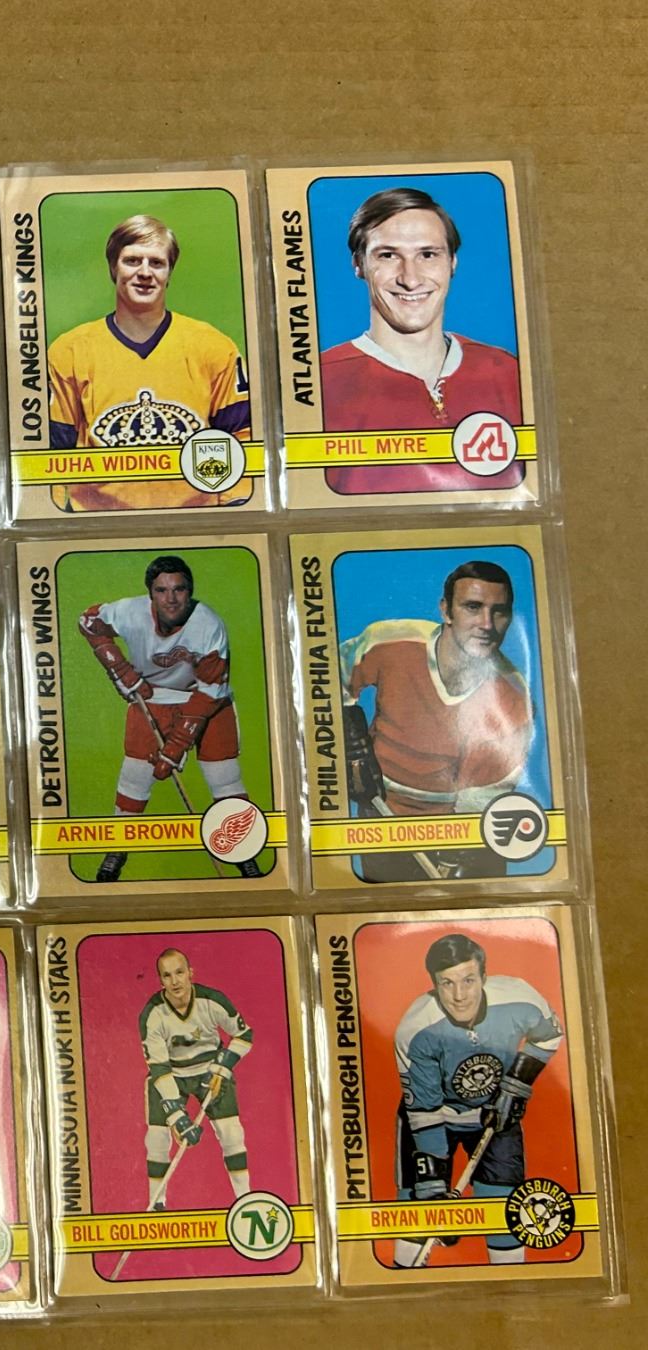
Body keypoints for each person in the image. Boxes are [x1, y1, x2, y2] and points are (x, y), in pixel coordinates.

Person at [320, 187, 525, 493]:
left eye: (428, 255)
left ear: (452, 262)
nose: (411, 279)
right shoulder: (317, 383)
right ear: (359, 264)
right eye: (388, 255)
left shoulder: (507, 372)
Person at [340, 560, 531, 881]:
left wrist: (459, 853)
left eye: (499, 611)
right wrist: (343, 734)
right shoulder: (390, 641)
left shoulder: (511, 698)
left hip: (451, 828)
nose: (486, 624)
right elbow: (328, 676)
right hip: (379, 810)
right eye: (473, 607)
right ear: (446, 611)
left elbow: (479, 802)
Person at [46, 214, 253, 511]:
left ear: (169, 272)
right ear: (113, 268)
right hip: (98, 522)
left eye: (156, 263)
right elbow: (53, 450)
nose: (145, 272)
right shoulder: (70, 351)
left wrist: (232, 511)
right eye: (132, 261)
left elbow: (241, 437)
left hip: (196, 518)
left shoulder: (214, 347)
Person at [78, 556, 261, 881]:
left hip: (206, 699)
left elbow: (210, 690)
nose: (171, 598)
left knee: (225, 778)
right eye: (161, 590)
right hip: (153, 698)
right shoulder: (129, 612)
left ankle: (242, 850)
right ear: (150, 593)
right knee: (134, 778)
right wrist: (119, 668)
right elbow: (88, 622)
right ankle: (118, 846)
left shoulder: (209, 624)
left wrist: (176, 747)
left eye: (179, 589)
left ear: (190, 591)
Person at [392, 934, 563, 1268]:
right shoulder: (415, 1030)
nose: (459, 996)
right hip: (432, 1117)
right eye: (447, 983)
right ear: (434, 985)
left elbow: (549, 1037)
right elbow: (424, 1110)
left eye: (468, 980)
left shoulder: (520, 1000)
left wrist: (515, 1085)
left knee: (505, 1215)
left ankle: (510, 1289)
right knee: (418, 1216)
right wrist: (432, 1189)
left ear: (484, 977)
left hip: (494, 1111)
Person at [138, 949, 254, 1207]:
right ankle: (157, 1205)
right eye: (167, 975)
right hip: (171, 1075)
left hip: (211, 1070)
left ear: (190, 973)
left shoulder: (212, 1001)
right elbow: (159, 1068)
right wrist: (176, 1115)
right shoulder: (153, 1014)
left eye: (179, 972)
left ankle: (245, 1199)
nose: (175, 981)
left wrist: (222, 1067)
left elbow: (244, 1035)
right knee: (157, 1138)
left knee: (232, 1134)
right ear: (161, 980)